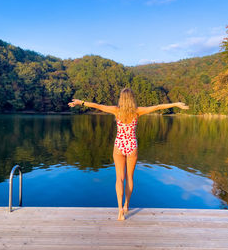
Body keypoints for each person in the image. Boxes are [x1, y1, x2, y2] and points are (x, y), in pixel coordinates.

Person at [68, 88, 189, 220]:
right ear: (132, 98)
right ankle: (126, 205)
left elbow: (97, 106)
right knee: (129, 178)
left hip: (119, 145)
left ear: (121, 98)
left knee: (119, 178)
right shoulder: (137, 111)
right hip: (132, 145)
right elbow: (157, 107)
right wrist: (175, 104)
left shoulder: (116, 110)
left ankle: (120, 211)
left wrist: (81, 102)